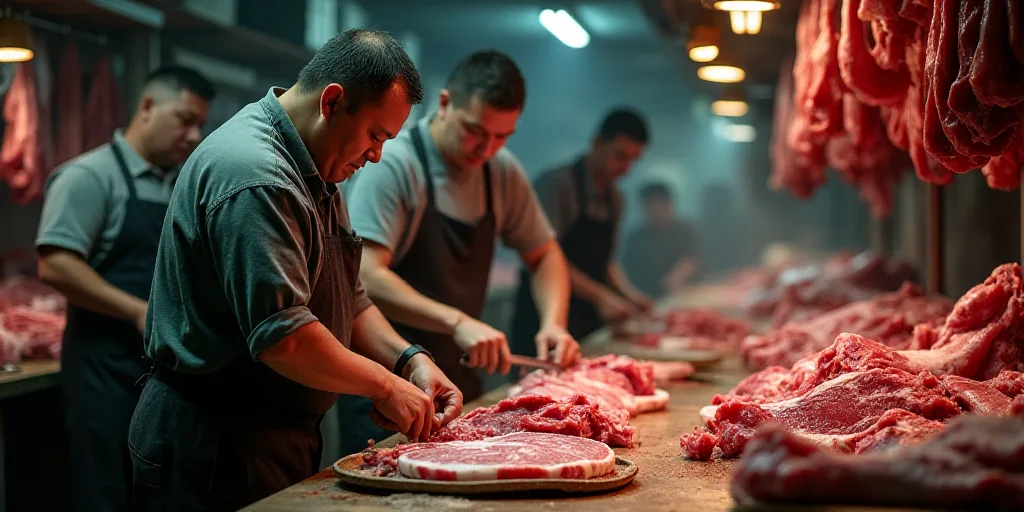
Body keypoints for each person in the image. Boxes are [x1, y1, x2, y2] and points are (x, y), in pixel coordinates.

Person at [127, 29, 462, 511]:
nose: (376, 155)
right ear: (332, 101)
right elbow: (285, 338)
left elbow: (352, 297)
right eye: (375, 135)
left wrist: (410, 360)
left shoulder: (318, 168)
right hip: (213, 443)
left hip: (272, 435)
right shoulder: (257, 173)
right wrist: (387, 386)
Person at [342, 50, 579, 455]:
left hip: (460, 382)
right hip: (391, 385)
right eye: (475, 131)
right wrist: (456, 322)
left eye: (502, 136)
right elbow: (368, 275)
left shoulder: (499, 171)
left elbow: (544, 256)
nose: (486, 148)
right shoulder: (397, 164)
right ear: (446, 103)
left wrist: (554, 324)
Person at [35, 66, 214, 512]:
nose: (193, 135)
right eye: (185, 119)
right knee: (106, 496)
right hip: (102, 374)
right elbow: (56, 265)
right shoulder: (88, 176)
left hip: (157, 380)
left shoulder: (179, 186)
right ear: (148, 107)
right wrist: (138, 311)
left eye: (200, 125)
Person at [511, 108, 654, 353]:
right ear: (598, 142)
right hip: (543, 316)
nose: (625, 169)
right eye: (620, 157)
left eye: (632, 161)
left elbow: (605, 261)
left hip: (587, 318)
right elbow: (543, 256)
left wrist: (629, 295)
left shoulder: (616, 198)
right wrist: (603, 297)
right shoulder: (557, 185)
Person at [621, 182, 701, 298]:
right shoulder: (635, 237)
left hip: (683, 295)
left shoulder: (685, 230)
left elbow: (692, 257)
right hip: (645, 297)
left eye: (658, 204)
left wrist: (678, 276)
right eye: (649, 205)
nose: (655, 210)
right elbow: (625, 271)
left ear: (669, 204)